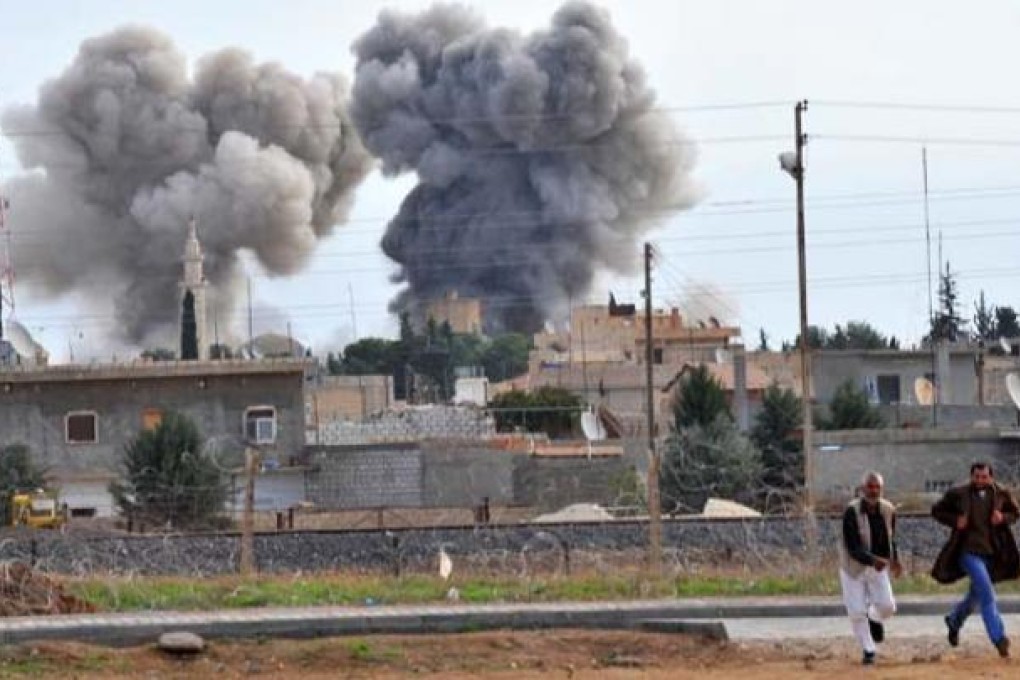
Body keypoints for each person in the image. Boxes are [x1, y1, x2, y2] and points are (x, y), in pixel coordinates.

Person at [932, 462, 1020, 658]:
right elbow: (937, 511)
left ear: (991, 477)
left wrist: (1003, 518)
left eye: (984, 477)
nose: (980, 481)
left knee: (975, 596)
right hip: (967, 552)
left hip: (992, 553)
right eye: (977, 477)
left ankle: (954, 621)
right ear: (971, 477)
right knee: (987, 593)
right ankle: (999, 638)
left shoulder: (1001, 493)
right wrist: (956, 521)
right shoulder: (958, 494)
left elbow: (1015, 513)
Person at [838, 470, 901, 665]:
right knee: (856, 611)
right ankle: (869, 649)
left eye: (877, 487)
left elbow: (892, 538)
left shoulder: (889, 509)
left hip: (878, 566)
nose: (873, 491)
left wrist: (896, 559)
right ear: (862, 489)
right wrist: (873, 560)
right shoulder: (852, 511)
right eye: (870, 487)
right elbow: (853, 547)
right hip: (853, 567)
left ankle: (874, 618)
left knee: (888, 607)